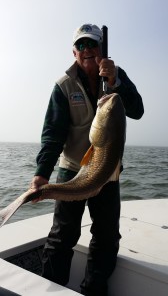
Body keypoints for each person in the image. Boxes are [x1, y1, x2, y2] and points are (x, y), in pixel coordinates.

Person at [30, 24, 144, 296]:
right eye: (81, 46)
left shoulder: (117, 76)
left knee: (106, 238)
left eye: (92, 44)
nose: (87, 50)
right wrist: (42, 172)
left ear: (101, 48)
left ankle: (93, 289)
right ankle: (52, 290)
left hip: (108, 172)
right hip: (72, 171)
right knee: (62, 237)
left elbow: (137, 110)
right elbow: (53, 133)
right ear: (74, 52)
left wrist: (116, 83)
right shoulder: (64, 86)